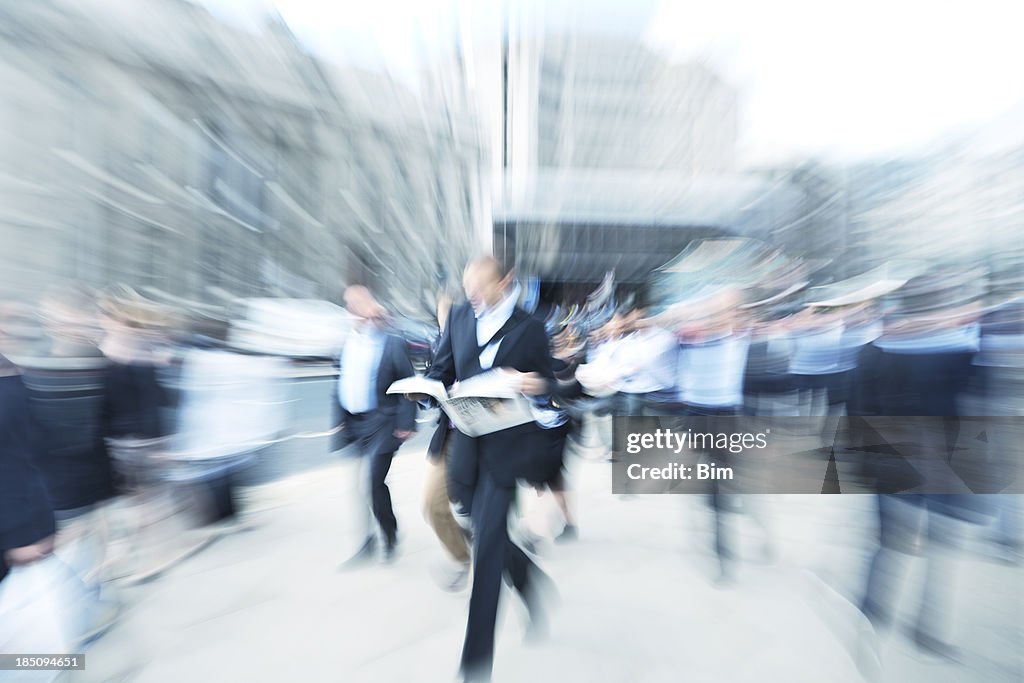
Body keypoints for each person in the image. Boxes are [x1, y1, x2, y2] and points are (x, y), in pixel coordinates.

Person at [416, 256, 560, 682]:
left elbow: (550, 381)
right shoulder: (459, 316)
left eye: (481, 287)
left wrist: (535, 383)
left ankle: (475, 661)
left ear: (505, 282)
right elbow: (441, 368)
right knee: (478, 524)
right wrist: (424, 392)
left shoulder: (530, 327)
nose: (473, 295)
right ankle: (529, 580)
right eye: (468, 287)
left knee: (489, 543)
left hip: (507, 449)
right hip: (464, 445)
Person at [333, 285, 416, 564]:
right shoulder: (346, 341)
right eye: (348, 306)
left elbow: (407, 382)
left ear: (368, 307)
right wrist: (340, 421)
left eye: (356, 305)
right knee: (358, 487)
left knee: (373, 482)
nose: (351, 311)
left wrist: (407, 421)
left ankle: (389, 534)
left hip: (383, 422)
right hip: (355, 424)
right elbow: (340, 381)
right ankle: (366, 540)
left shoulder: (390, 340)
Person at [422, 290, 472, 589]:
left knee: (480, 511)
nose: (446, 326)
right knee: (432, 505)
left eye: (450, 318)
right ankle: (462, 556)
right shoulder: (440, 344)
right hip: (448, 435)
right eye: (442, 320)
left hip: (480, 437)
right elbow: (434, 377)